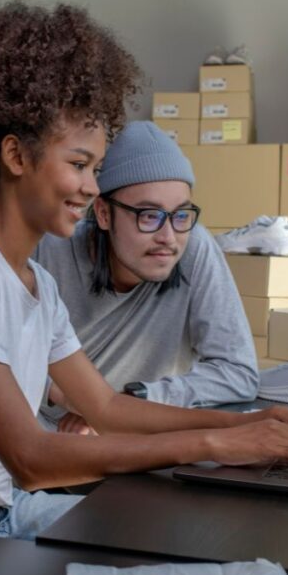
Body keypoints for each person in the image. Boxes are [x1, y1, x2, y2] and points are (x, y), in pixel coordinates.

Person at [0, 2, 288, 541]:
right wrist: (213, 444)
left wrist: (244, 423)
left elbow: (103, 405)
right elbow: (31, 458)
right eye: (79, 165)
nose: (90, 187)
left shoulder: (37, 284)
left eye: (96, 170)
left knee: (170, 540)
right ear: (16, 156)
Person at [34, 121, 257, 435]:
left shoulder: (193, 245)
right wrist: (67, 398)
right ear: (103, 214)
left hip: (139, 429)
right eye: (149, 215)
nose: (168, 236)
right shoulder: (49, 251)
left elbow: (238, 371)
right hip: (41, 436)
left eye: (181, 214)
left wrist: (135, 400)